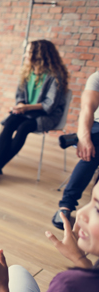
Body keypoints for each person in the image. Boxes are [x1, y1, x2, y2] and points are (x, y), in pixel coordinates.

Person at [0, 40, 69, 179]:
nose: (25, 55)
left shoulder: (54, 76)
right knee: (9, 123)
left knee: (24, 128)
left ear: (39, 55)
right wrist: (21, 105)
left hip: (47, 115)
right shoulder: (27, 71)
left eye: (28, 52)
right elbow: (20, 95)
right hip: (27, 111)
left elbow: (49, 105)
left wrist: (25, 107)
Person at [54, 71, 99, 230]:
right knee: (92, 152)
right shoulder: (97, 77)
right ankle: (66, 206)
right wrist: (85, 136)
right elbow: (87, 108)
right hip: (97, 126)